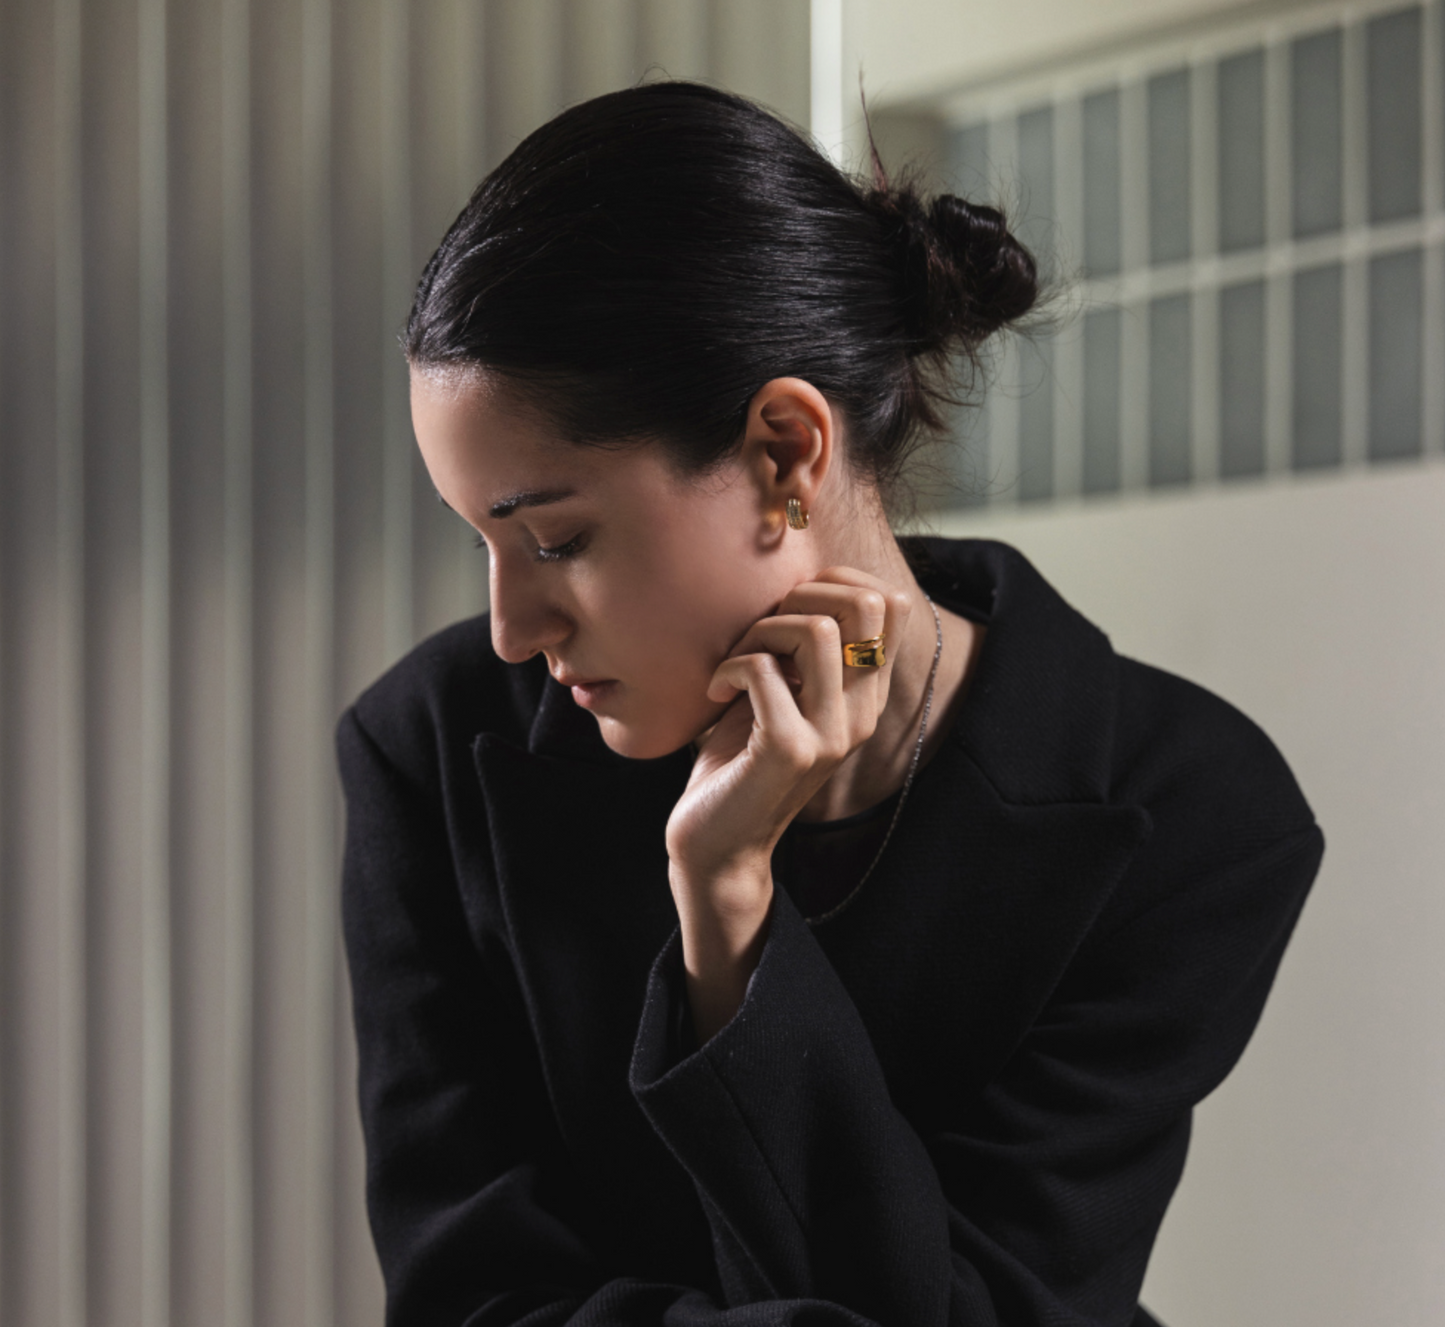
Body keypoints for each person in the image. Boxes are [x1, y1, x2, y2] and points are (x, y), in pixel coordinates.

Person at [337, 81, 1323, 1327]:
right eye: (480, 540)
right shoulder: (429, 750)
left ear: (783, 452)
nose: (511, 630)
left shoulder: (1189, 814)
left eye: (555, 538)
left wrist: (730, 914)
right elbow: (471, 1302)